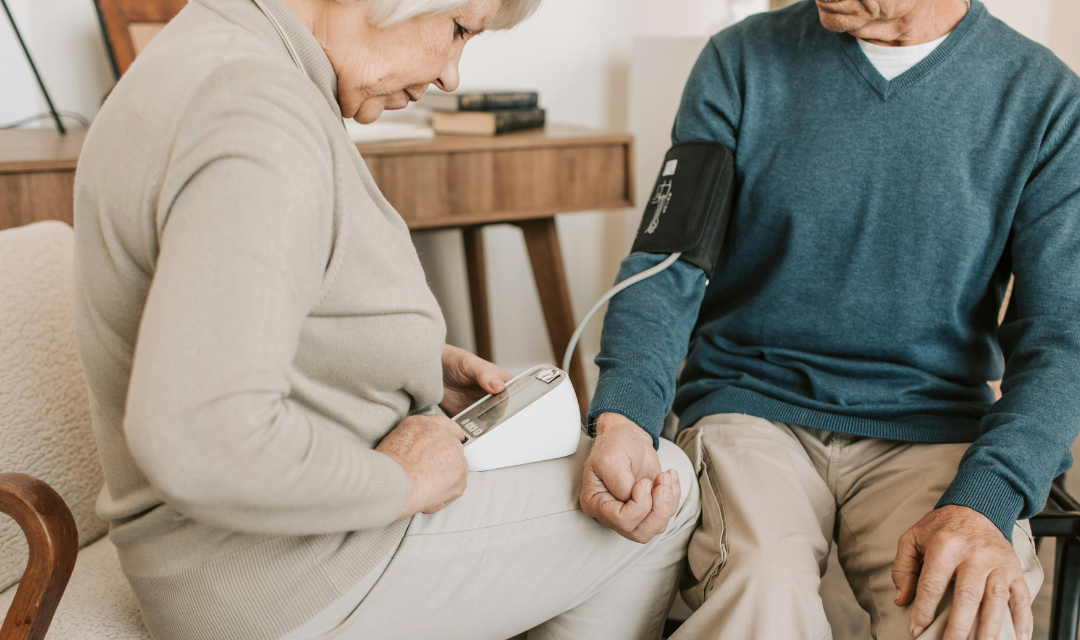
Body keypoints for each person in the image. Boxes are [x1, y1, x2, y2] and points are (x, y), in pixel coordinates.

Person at [71, 0, 700, 638]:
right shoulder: (260, 113)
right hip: (276, 576)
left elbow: (225, 306)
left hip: (227, 559)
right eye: (458, 30)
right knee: (663, 487)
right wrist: (398, 481)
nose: (452, 75)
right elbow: (198, 437)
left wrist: (408, 362)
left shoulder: (216, 50)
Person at [581, 0, 1080, 638]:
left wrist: (986, 500)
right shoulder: (740, 61)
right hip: (753, 406)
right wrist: (624, 415)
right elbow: (666, 266)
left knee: (966, 611)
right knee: (759, 583)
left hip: (934, 425)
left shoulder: (1045, 100)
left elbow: (1060, 340)